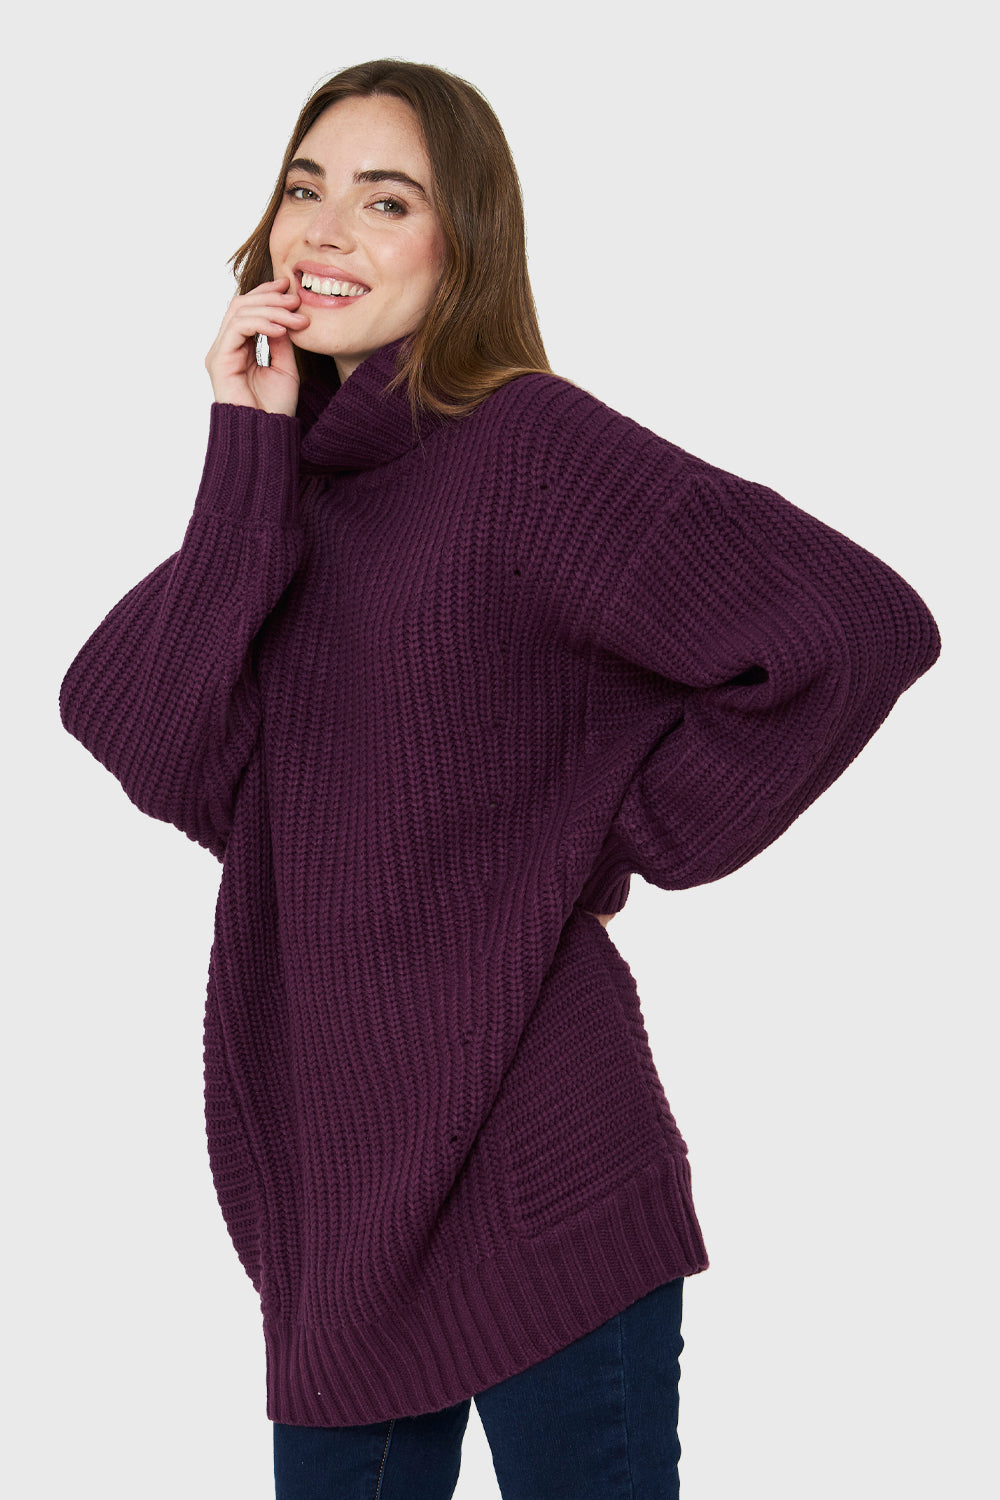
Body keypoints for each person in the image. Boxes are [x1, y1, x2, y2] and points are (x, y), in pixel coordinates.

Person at [58, 57, 942, 1500]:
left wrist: (624, 832)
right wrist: (247, 447)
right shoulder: (290, 494)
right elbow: (138, 728)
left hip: (541, 1165)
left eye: (385, 200)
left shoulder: (524, 446)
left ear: (459, 244)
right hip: (348, 1199)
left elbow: (849, 627)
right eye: (304, 188)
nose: (325, 231)